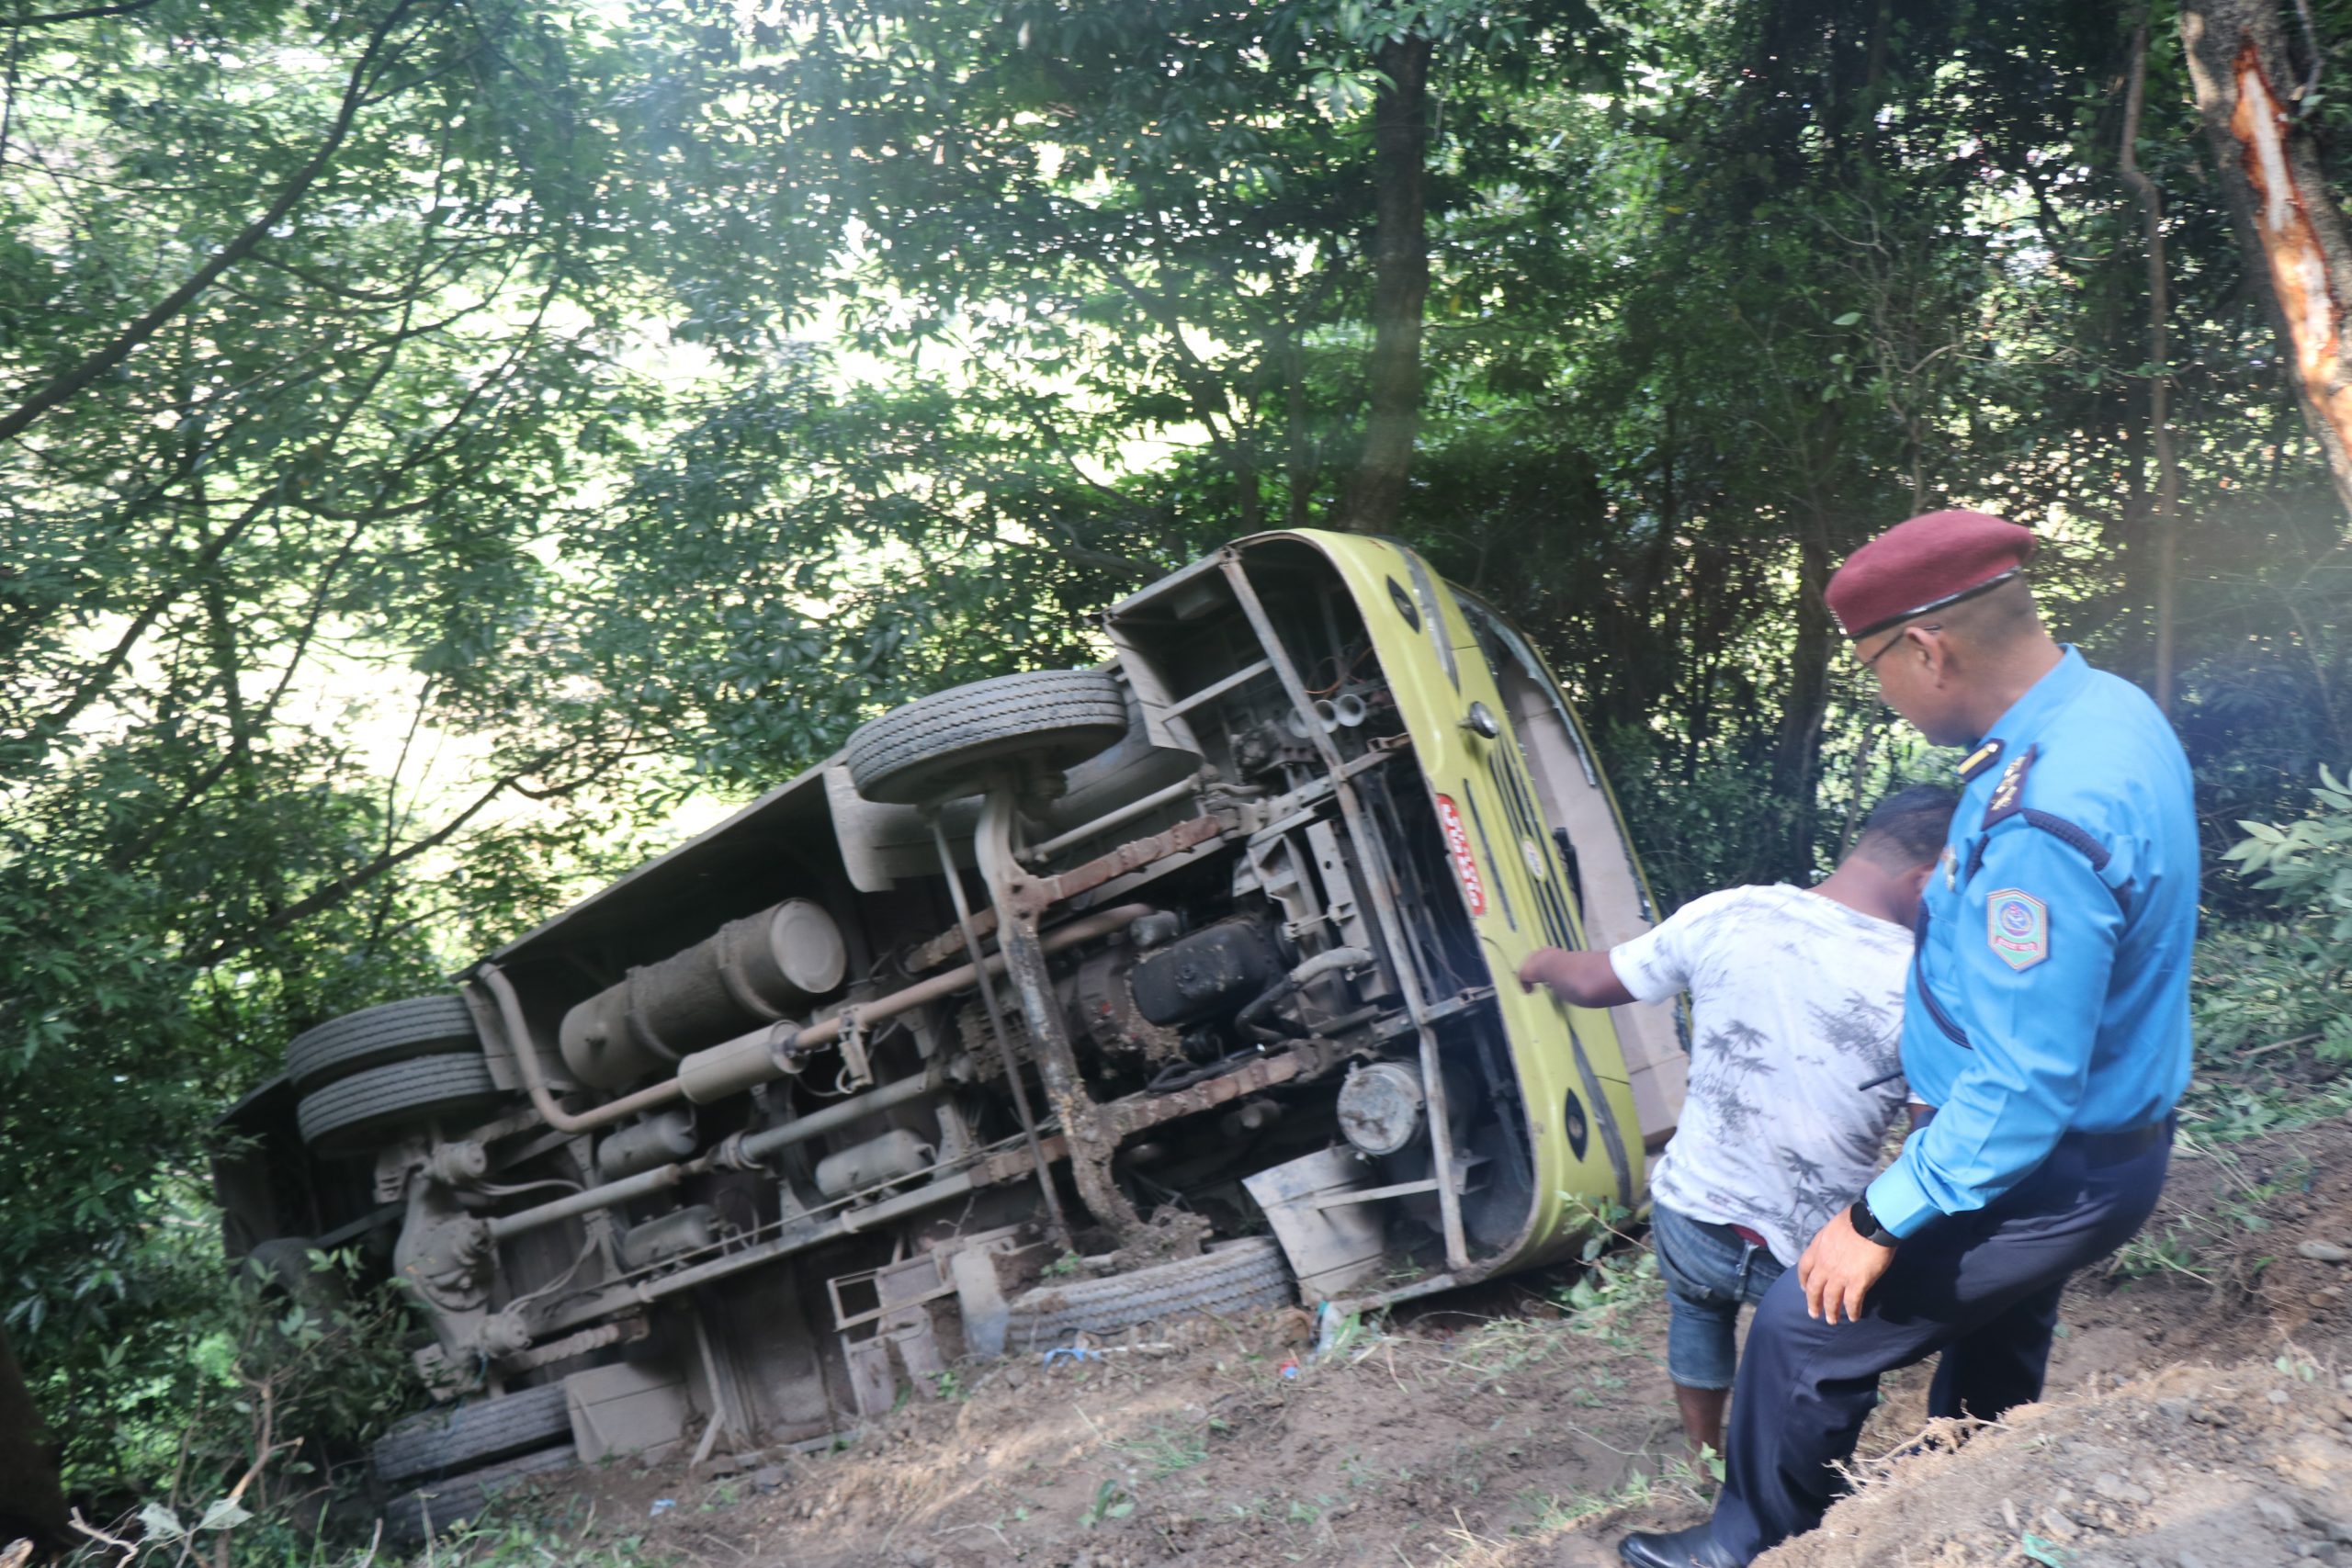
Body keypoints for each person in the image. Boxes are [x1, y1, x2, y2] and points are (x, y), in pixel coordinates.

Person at [1614, 510, 2198, 1568]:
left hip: (2041, 1162)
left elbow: (2023, 1090)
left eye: (1875, 664)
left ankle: (1754, 1547)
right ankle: (1965, 1499)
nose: (1878, 687)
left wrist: (1877, 1217)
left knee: (1804, 1328)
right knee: (1994, 1334)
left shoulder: (2043, 815)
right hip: (2094, 1147)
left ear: (1927, 648)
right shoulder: (2097, 715)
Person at [1516, 784, 1957, 1462]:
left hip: (1690, 1214)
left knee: (1697, 1314)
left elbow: (1598, 980)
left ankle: (1704, 1455)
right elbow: (1932, 1141)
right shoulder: (1923, 981)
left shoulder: (1730, 912)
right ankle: (1800, 1470)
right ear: (1925, 879)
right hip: (1813, 1255)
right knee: (1830, 1363)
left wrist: (1544, 964)